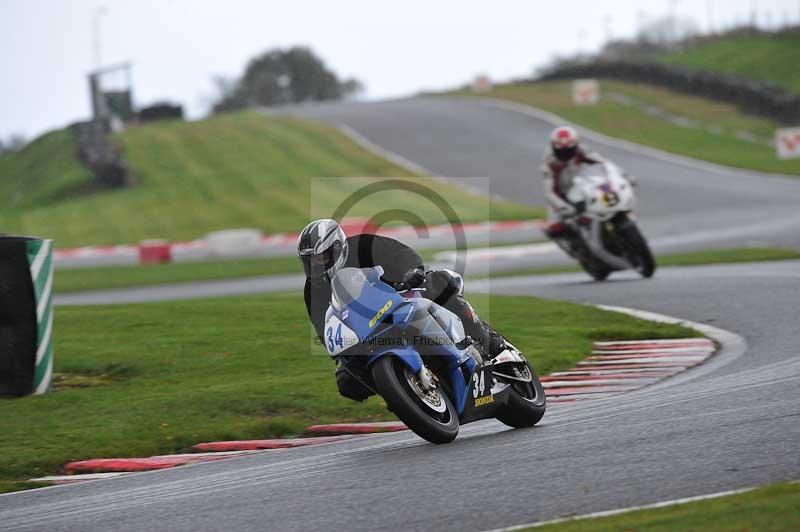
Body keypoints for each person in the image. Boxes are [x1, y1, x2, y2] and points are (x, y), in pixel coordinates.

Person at [297, 218, 507, 401]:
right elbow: (324, 328)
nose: (315, 265)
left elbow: (401, 254)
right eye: (310, 261)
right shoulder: (313, 289)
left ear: (336, 248)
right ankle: (402, 391)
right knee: (346, 380)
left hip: (402, 297)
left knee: (439, 283)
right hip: (368, 332)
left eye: (321, 258)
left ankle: (491, 342)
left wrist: (412, 272)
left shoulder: (364, 245)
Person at [540, 126, 604, 240]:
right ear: (554, 147)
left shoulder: (582, 150)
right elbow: (549, 192)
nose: (566, 154)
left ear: (575, 145)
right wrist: (563, 206)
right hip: (561, 197)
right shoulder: (548, 163)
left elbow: (603, 162)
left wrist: (622, 176)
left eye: (569, 149)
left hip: (584, 189)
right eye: (561, 150)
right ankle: (575, 245)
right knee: (554, 228)